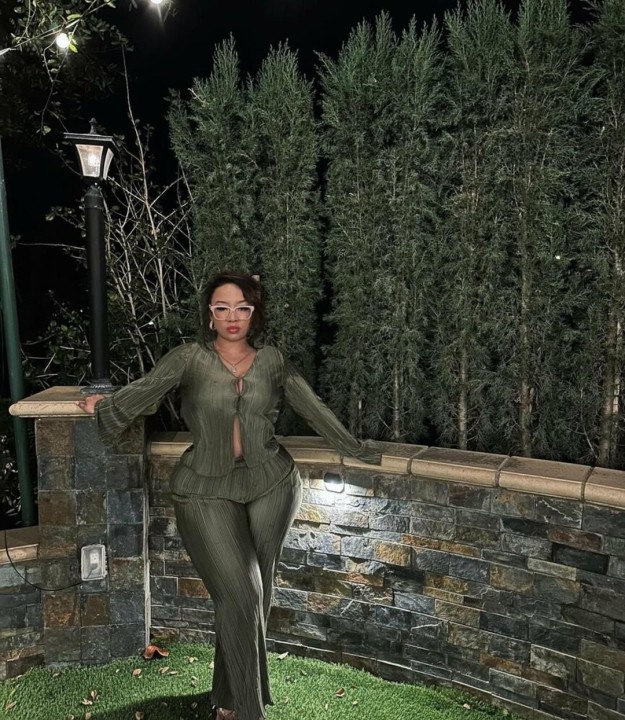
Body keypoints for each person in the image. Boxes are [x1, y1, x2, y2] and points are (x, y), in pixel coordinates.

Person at [77, 271, 380, 720]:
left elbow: (313, 408)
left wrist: (357, 449)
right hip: (204, 488)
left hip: (272, 484)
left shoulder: (273, 361)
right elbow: (147, 391)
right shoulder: (189, 359)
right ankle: (252, 712)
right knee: (241, 594)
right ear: (210, 315)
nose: (232, 317)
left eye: (242, 308)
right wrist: (107, 408)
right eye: (222, 308)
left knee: (257, 596)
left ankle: (229, 700)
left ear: (254, 314)